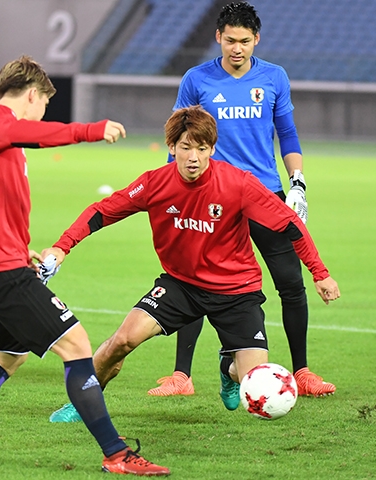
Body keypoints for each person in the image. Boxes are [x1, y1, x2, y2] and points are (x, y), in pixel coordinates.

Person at [0, 55, 170, 476]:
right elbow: (31, 133)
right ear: (32, 95)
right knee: (76, 345)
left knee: (8, 355)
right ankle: (116, 454)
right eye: (43, 106)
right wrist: (91, 130)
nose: (41, 115)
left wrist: (21, 250)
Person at [45, 106, 340, 424]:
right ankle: (83, 403)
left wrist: (320, 274)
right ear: (171, 147)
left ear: (212, 149)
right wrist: (63, 247)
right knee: (121, 340)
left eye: (201, 148)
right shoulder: (154, 183)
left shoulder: (238, 183)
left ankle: (228, 368)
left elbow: (289, 223)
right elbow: (102, 211)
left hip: (237, 290)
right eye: (186, 147)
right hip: (180, 285)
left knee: (253, 380)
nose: (194, 157)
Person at [147, 0, 334, 399]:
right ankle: (182, 376)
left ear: (256, 39)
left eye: (245, 41)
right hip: (210, 196)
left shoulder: (274, 77)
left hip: (264, 193)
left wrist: (297, 181)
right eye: (230, 40)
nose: (237, 48)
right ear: (218, 37)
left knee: (290, 284)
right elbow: (179, 140)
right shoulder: (196, 80)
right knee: (192, 280)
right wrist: (171, 189)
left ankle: (301, 371)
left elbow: (288, 133)